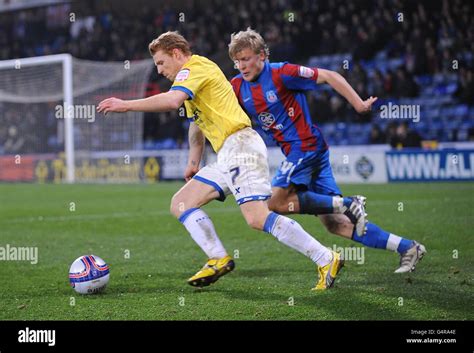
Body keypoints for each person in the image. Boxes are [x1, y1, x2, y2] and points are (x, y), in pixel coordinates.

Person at [97, 31, 346, 290]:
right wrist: (193, 162)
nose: (160, 71)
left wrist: (125, 104)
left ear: (176, 53)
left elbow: (172, 101)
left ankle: (326, 257)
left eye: (161, 63)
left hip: (240, 145)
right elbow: (197, 125)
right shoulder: (192, 81)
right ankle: (217, 257)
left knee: (257, 217)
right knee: (181, 202)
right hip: (227, 152)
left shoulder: (196, 67)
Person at [228, 28, 426, 273]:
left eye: (246, 59)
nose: (242, 66)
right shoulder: (237, 86)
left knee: (275, 202)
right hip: (305, 153)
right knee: (336, 225)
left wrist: (359, 104)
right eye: (237, 61)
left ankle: (348, 203)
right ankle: (407, 247)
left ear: (261, 55)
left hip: (306, 147)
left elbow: (330, 76)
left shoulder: (282, 72)